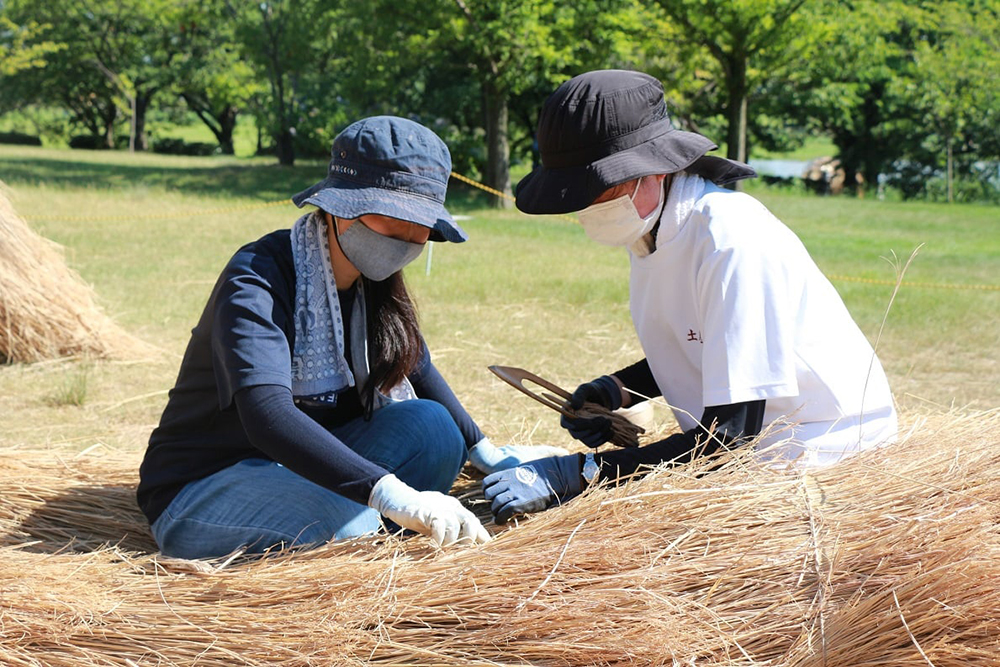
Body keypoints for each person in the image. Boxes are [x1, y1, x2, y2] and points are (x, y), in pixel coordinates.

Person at [137, 116, 565, 558]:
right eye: (394, 219)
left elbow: (418, 367)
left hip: (300, 467)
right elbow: (266, 414)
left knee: (436, 430)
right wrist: (389, 495)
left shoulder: (372, 280)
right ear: (342, 208)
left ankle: (351, 524)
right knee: (347, 518)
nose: (411, 238)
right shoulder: (259, 275)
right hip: (208, 481)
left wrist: (487, 452)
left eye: (421, 226)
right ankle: (354, 527)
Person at [483, 70, 898, 524]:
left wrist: (582, 473)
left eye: (600, 187)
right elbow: (700, 342)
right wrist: (613, 391)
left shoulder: (731, 240)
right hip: (755, 451)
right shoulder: (651, 230)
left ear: (654, 170)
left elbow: (731, 435)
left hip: (819, 454)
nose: (588, 206)